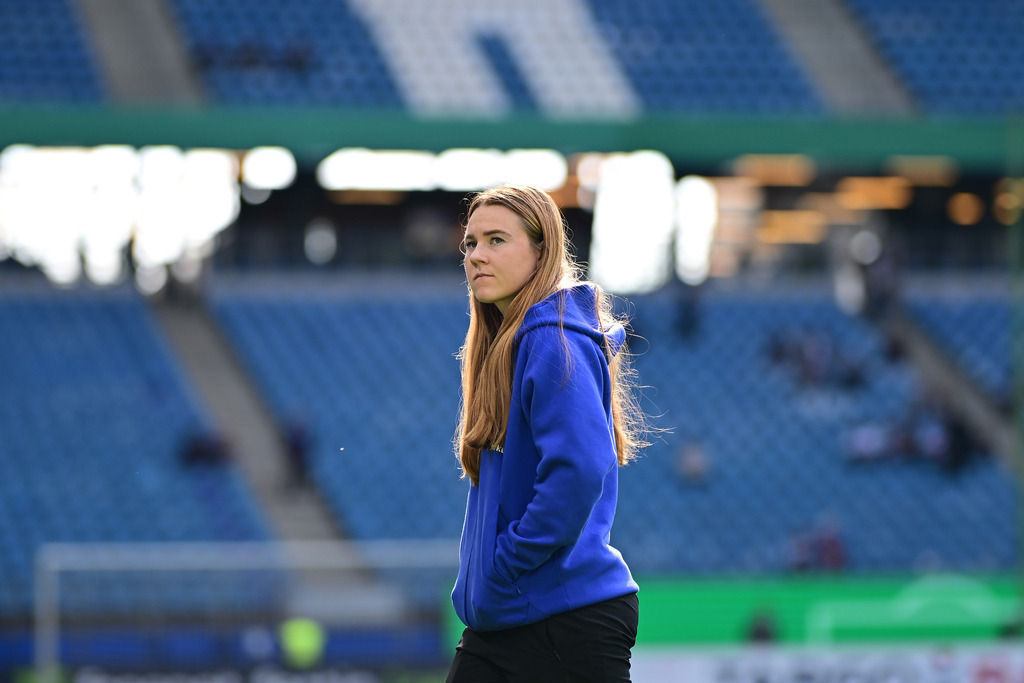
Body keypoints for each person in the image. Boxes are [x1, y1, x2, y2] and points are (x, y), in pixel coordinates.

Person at [447, 185, 646, 682]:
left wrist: (508, 562)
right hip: (510, 619)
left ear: (543, 251)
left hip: (562, 620)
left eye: (496, 240)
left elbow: (579, 471)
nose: (477, 256)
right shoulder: (515, 342)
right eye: (470, 244)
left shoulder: (553, 340)